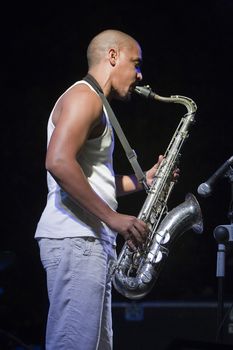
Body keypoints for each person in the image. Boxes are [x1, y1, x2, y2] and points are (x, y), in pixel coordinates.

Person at [35, 29, 167, 350]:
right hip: (76, 238)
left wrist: (144, 180)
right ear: (113, 56)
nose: (139, 73)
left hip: (87, 240)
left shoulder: (96, 104)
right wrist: (113, 218)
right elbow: (58, 161)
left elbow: (94, 179)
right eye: (135, 63)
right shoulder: (85, 97)